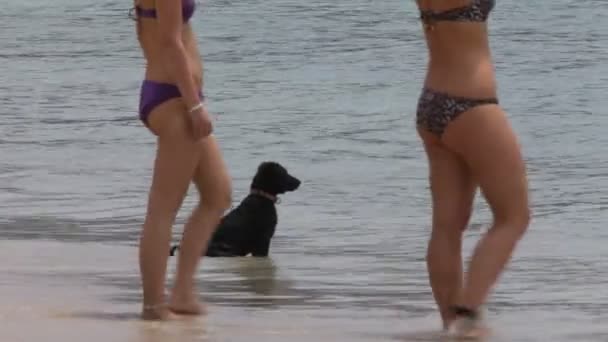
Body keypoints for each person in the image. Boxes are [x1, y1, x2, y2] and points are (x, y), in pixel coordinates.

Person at [414, 0, 531, 337]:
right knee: (514, 216)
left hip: (432, 104)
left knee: (447, 226)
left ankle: (451, 325)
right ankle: (467, 314)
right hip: (472, 106)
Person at [130, 0, 232, 320]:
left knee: (218, 194)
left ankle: (182, 293)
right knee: (163, 209)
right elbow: (170, 42)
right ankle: (153, 306)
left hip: (177, 94)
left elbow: (147, 30)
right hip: (175, 100)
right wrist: (193, 106)